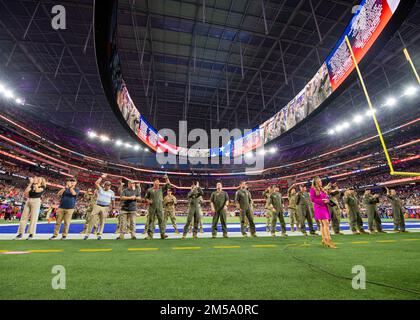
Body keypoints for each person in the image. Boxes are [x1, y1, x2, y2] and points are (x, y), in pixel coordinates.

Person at [84, 174, 115, 240]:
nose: (108, 186)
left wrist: (113, 208)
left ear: (110, 186)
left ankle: (99, 234)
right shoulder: (101, 189)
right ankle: (87, 234)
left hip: (106, 207)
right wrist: (101, 177)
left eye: (109, 185)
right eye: (106, 185)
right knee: (92, 219)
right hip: (97, 205)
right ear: (104, 185)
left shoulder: (112, 192)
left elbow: (113, 200)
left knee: (102, 221)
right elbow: (96, 183)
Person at [310, 177, 336, 248]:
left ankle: (324, 239)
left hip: (325, 207)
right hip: (319, 207)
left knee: (323, 224)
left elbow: (326, 197)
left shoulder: (322, 189)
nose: (320, 182)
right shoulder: (313, 189)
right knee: (326, 223)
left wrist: (327, 200)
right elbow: (312, 199)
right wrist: (322, 201)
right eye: (319, 181)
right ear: (315, 182)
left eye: (320, 181)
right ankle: (328, 240)